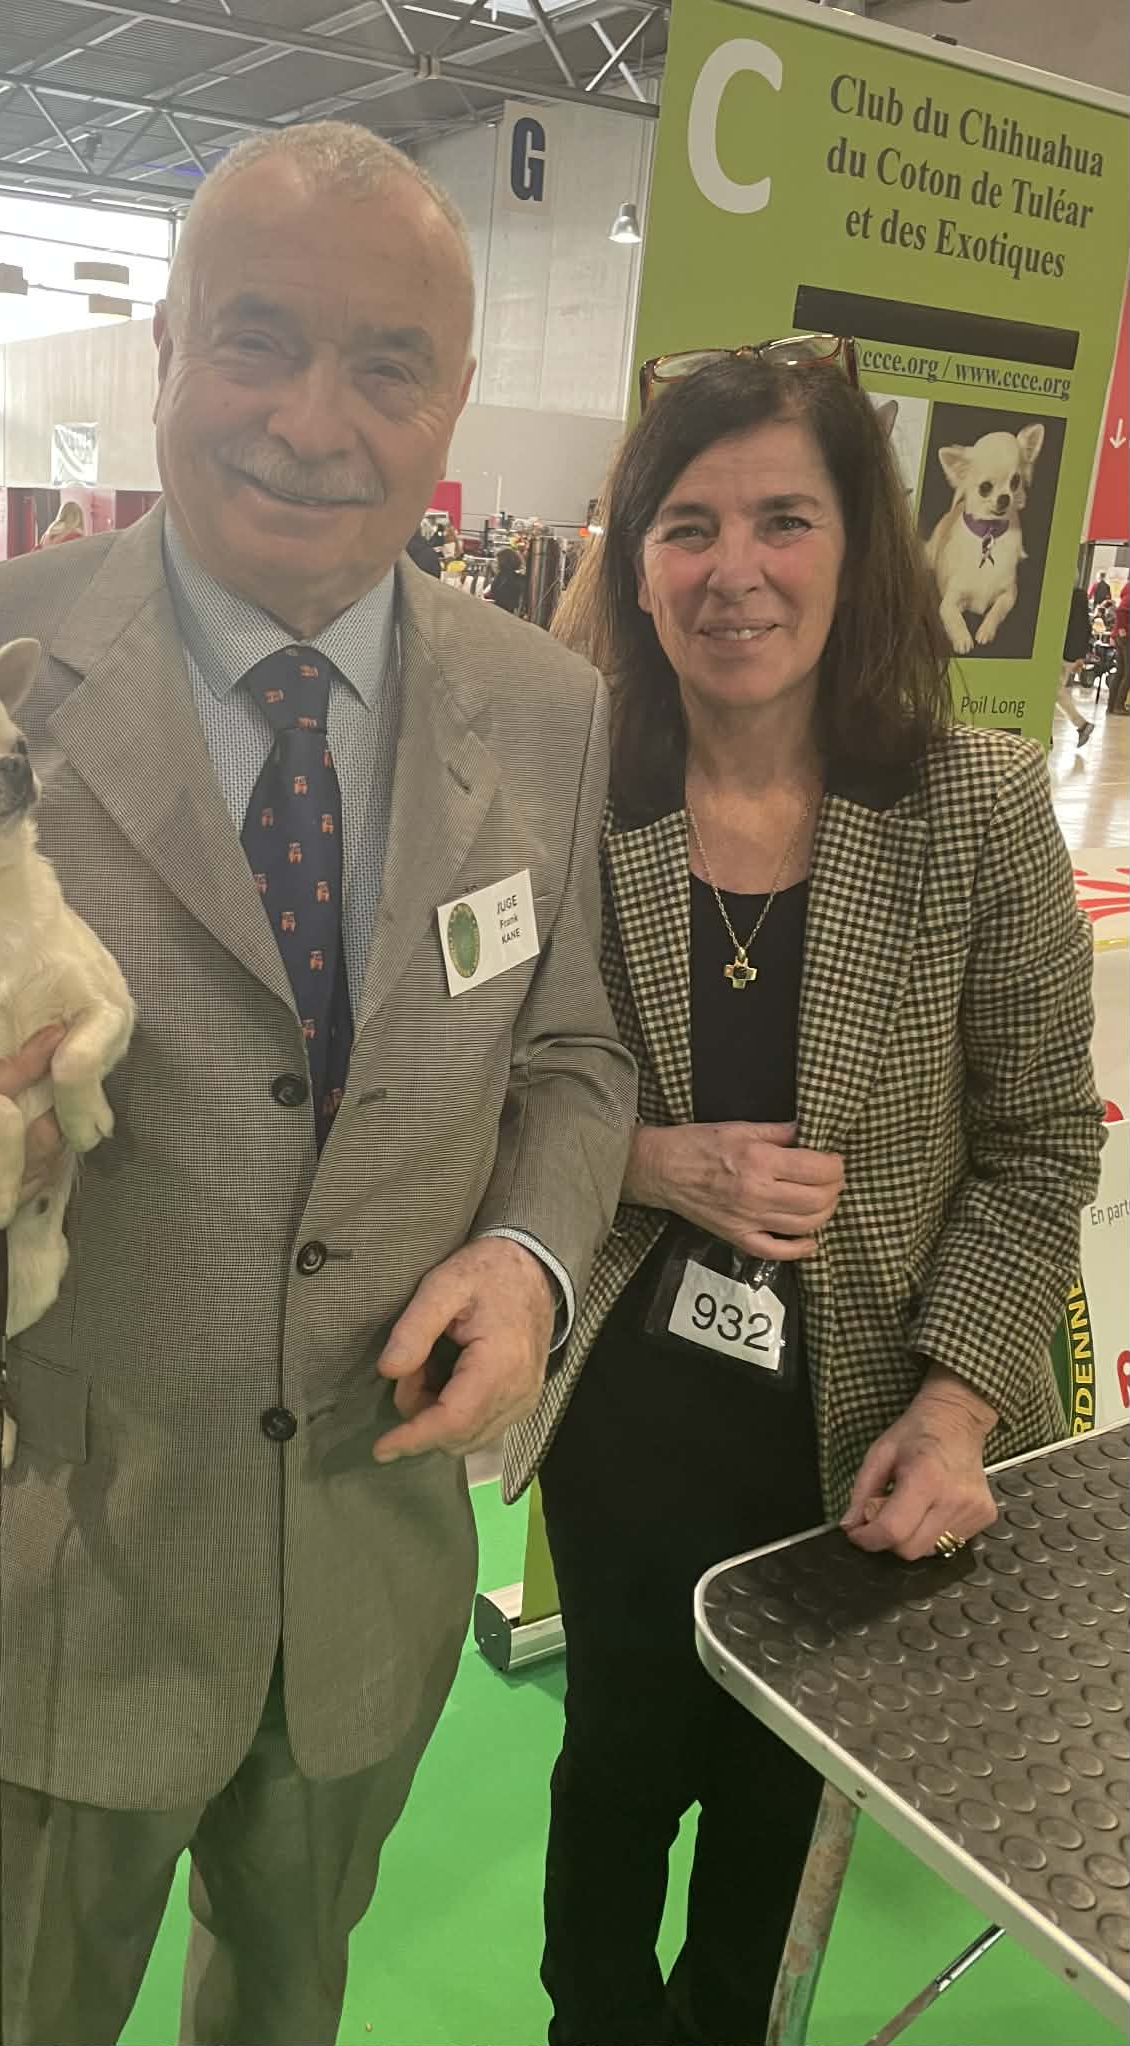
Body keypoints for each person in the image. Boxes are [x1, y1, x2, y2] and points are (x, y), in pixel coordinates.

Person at [0, 123, 635, 2046]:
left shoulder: (544, 707)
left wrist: (530, 1260)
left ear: (450, 397)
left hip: (361, 1574)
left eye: (383, 365)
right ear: (167, 350)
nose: (310, 419)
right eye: (257, 340)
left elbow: (574, 1051)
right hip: (47, 1591)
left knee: (282, 2009)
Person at [502, 344, 1103, 2046]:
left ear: (857, 549)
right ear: (633, 563)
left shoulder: (975, 806)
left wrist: (957, 1403)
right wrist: (642, 1158)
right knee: (616, 1763)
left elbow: (1041, 1141)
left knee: (787, 1800)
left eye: (783, 519)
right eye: (686, 526)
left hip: (866, 1418)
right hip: (631, 1413)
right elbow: (467, 1091)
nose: (735, 571)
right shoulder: (567, 799)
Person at [1057, 581, 1093, 745]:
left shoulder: (1070, 598)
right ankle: (1081, 726)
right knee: (1055, 692)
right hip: (1068, 655)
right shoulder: (1080, 599)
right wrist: (1080, 656)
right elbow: (1085, 629)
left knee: (1054, 692)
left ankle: (1082, 725)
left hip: (1062, 653)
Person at [1110, 579, 1130, 715]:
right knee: (1128, 672)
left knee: (1120, 671)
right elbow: (1121, 611)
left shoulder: (1127, 591)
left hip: (1120, 636)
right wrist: (1123, 630)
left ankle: (1112, 705)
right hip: (1126, 637)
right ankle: (1118, 705)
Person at [488, 545, 527, 615]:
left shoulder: (508, 578)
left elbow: (504, 599)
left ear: (503, 561)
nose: (495, 563)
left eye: (497, 560)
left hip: (505, 614)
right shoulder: (502, 576)